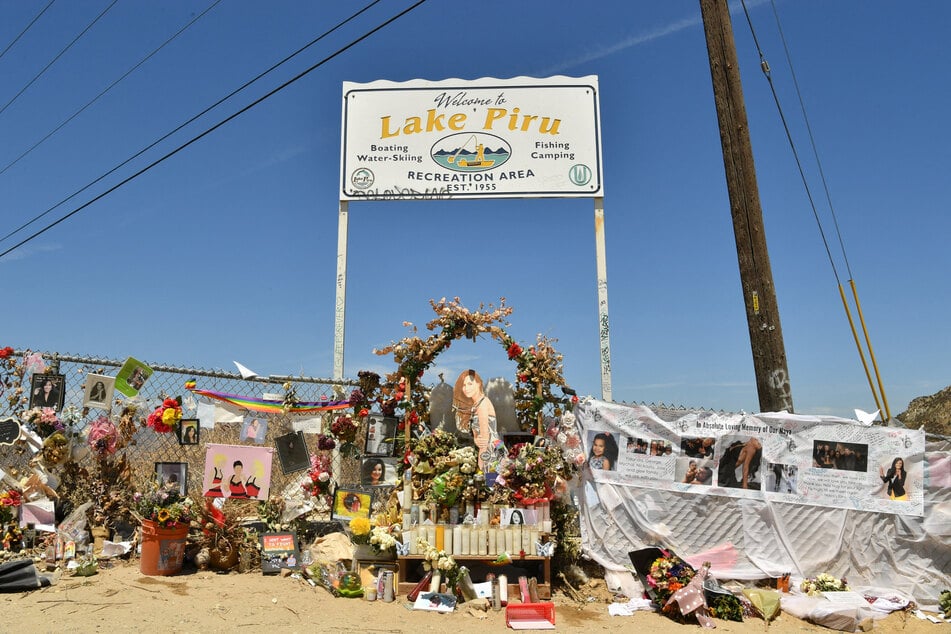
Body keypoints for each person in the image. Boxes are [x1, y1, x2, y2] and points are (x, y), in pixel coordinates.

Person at [453, 369, 500, 471]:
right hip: (491, 449)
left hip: (491, 451)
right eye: (464, 385)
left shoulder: (482, 404)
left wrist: (481, 465)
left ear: (478, 384)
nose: (466, 388)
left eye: (470, 384)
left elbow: (485, 438)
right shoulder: (476, 405)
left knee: (490, 483)